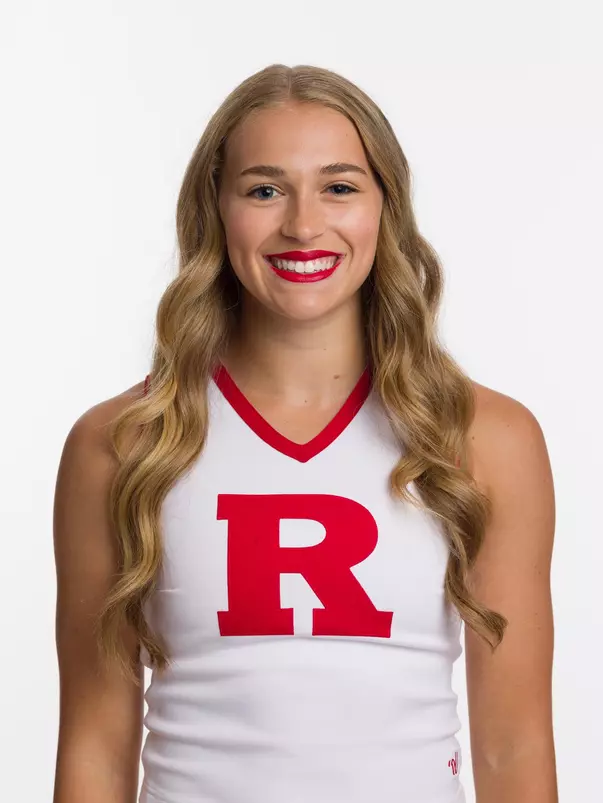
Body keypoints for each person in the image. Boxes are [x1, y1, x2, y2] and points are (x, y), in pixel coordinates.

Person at [52, 64, 558, 803]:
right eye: (263, 189)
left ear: (385, 207)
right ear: (215, 209)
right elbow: (95, 742)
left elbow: (512, 744)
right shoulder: (123, 442)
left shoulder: (485, 437)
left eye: (339, 186)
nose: (301, 223)